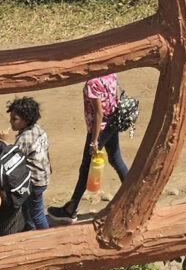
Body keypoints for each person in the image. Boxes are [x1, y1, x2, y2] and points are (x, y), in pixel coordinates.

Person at [53, 73, 131, 220]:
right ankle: (132, 192)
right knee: (115, 159)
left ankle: (71, 209)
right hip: (113, 123)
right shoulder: (111, 75)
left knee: (85, 169)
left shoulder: (92, 83)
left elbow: (98, 113)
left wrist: (94, 141)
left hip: (99, 130)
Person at [6, 96, 51, 231]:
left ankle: (46, 236)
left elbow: (13, 158)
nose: (11, 122)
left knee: (37, 213)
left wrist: (4, 142)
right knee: (27, 206)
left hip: (34, 182)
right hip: (43, 176)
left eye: (15, 119)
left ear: (25, 120)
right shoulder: (38, 130)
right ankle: (29, 228)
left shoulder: (24, 138)